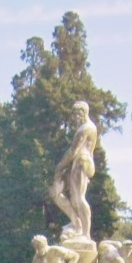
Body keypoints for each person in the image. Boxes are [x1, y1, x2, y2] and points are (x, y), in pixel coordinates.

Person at [49, 101, 99, 241]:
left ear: (85, 112)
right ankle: (77, 223)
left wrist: (59, 167)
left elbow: (73, 150)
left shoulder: (86, 128)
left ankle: (85, 233)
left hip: (82, 161)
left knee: (79, 197)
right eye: (74, 114)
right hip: (77, 163)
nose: (76, 117)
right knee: (56, 193)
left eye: (78, 114)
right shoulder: (83, 127)